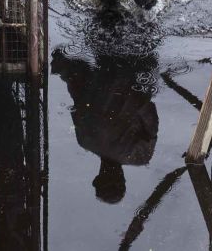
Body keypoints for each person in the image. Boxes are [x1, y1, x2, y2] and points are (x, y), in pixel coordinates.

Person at [51, 47, 159, 204]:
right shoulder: (84, 141)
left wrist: (137, 99)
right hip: (104, 64)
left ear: (123, 179)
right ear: (97, 177)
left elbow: (150, 112)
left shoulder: (140, 157)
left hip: (138, 69)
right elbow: (77, 93)